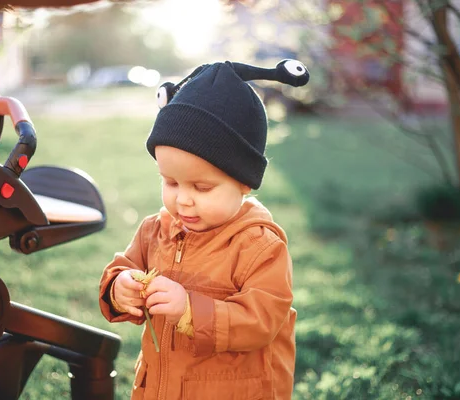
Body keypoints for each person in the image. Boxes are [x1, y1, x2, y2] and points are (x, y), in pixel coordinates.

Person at [99, 59, 309, 400]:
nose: (183, 200)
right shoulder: (155, 230)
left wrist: (190, 311)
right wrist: (118, 287)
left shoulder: (258, 245)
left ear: (243, 183)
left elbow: (262, 321)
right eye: (170, 182)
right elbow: (125, 267)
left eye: (201, 187)